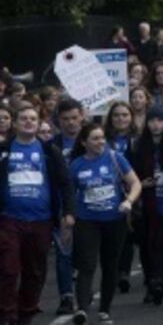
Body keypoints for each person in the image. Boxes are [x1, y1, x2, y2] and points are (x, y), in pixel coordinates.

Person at [0, 105, 75, 325]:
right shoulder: (4, 150)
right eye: (23, 118)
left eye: (33, 118)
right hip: (9, 219)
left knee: (34, 272)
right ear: (15, 123)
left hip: (41, 221)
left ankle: (25, 314)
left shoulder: (49, 151)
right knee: (8, 269)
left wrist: (69, 212)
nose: (28, 122)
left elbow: (65, 183)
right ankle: (6, 314)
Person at [69, 119, 144, 325]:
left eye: (102, 138)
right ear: (84, 142)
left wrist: (129, 201)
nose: (100, 142)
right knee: (87, 264)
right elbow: (68, 193)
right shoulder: (76, 165)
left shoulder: (115, 158)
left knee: (110, 265)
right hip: (87, 220)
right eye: (95, 139)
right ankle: (82, 309)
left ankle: (105, 310)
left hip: (114, 220)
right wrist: (68, 217)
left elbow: (135, 183)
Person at [131, 106, 163, 306]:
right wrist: (140, 184)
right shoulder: (137, 146)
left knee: (162, 241)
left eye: (160, 121)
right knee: (146, 245)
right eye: (152, 120)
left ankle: (158, 280)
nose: (155, 125)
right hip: (145, 203)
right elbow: (129, 173)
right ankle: (151, 281)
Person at [50, 99, 86, 316]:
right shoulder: (51, 145)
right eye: (65, 119)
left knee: (85, 253)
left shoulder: (91, 140)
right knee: (64, 252)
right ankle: (66, 296)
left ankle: (83, 292)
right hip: (62, 205)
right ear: (58, 120)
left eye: (74, 118)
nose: (71, 123)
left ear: (82, 116)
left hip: (89, 205)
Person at [102, 101, 138, 295]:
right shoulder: (103, 139)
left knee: (128, 234)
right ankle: (112, 270)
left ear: (131, 117)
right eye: (116, 115)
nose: (120, 119)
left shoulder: (138, 139)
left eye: (125, 115)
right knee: (111, 234)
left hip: (132, 190)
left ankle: (123, 272)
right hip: (108, 189)